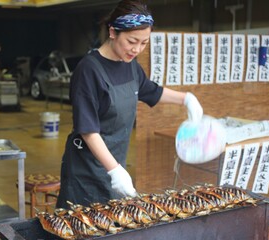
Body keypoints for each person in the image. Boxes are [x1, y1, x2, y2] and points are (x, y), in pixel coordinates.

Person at [56, 0, 203, 208]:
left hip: (115, 165)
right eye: (132, 41)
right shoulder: (88, 70)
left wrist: (186, 99)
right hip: (86, 171)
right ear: (113, 32)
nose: (137, 49)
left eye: (144, 43)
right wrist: (114, 169)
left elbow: (150, 91)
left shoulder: (130, 65)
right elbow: (88, 130)